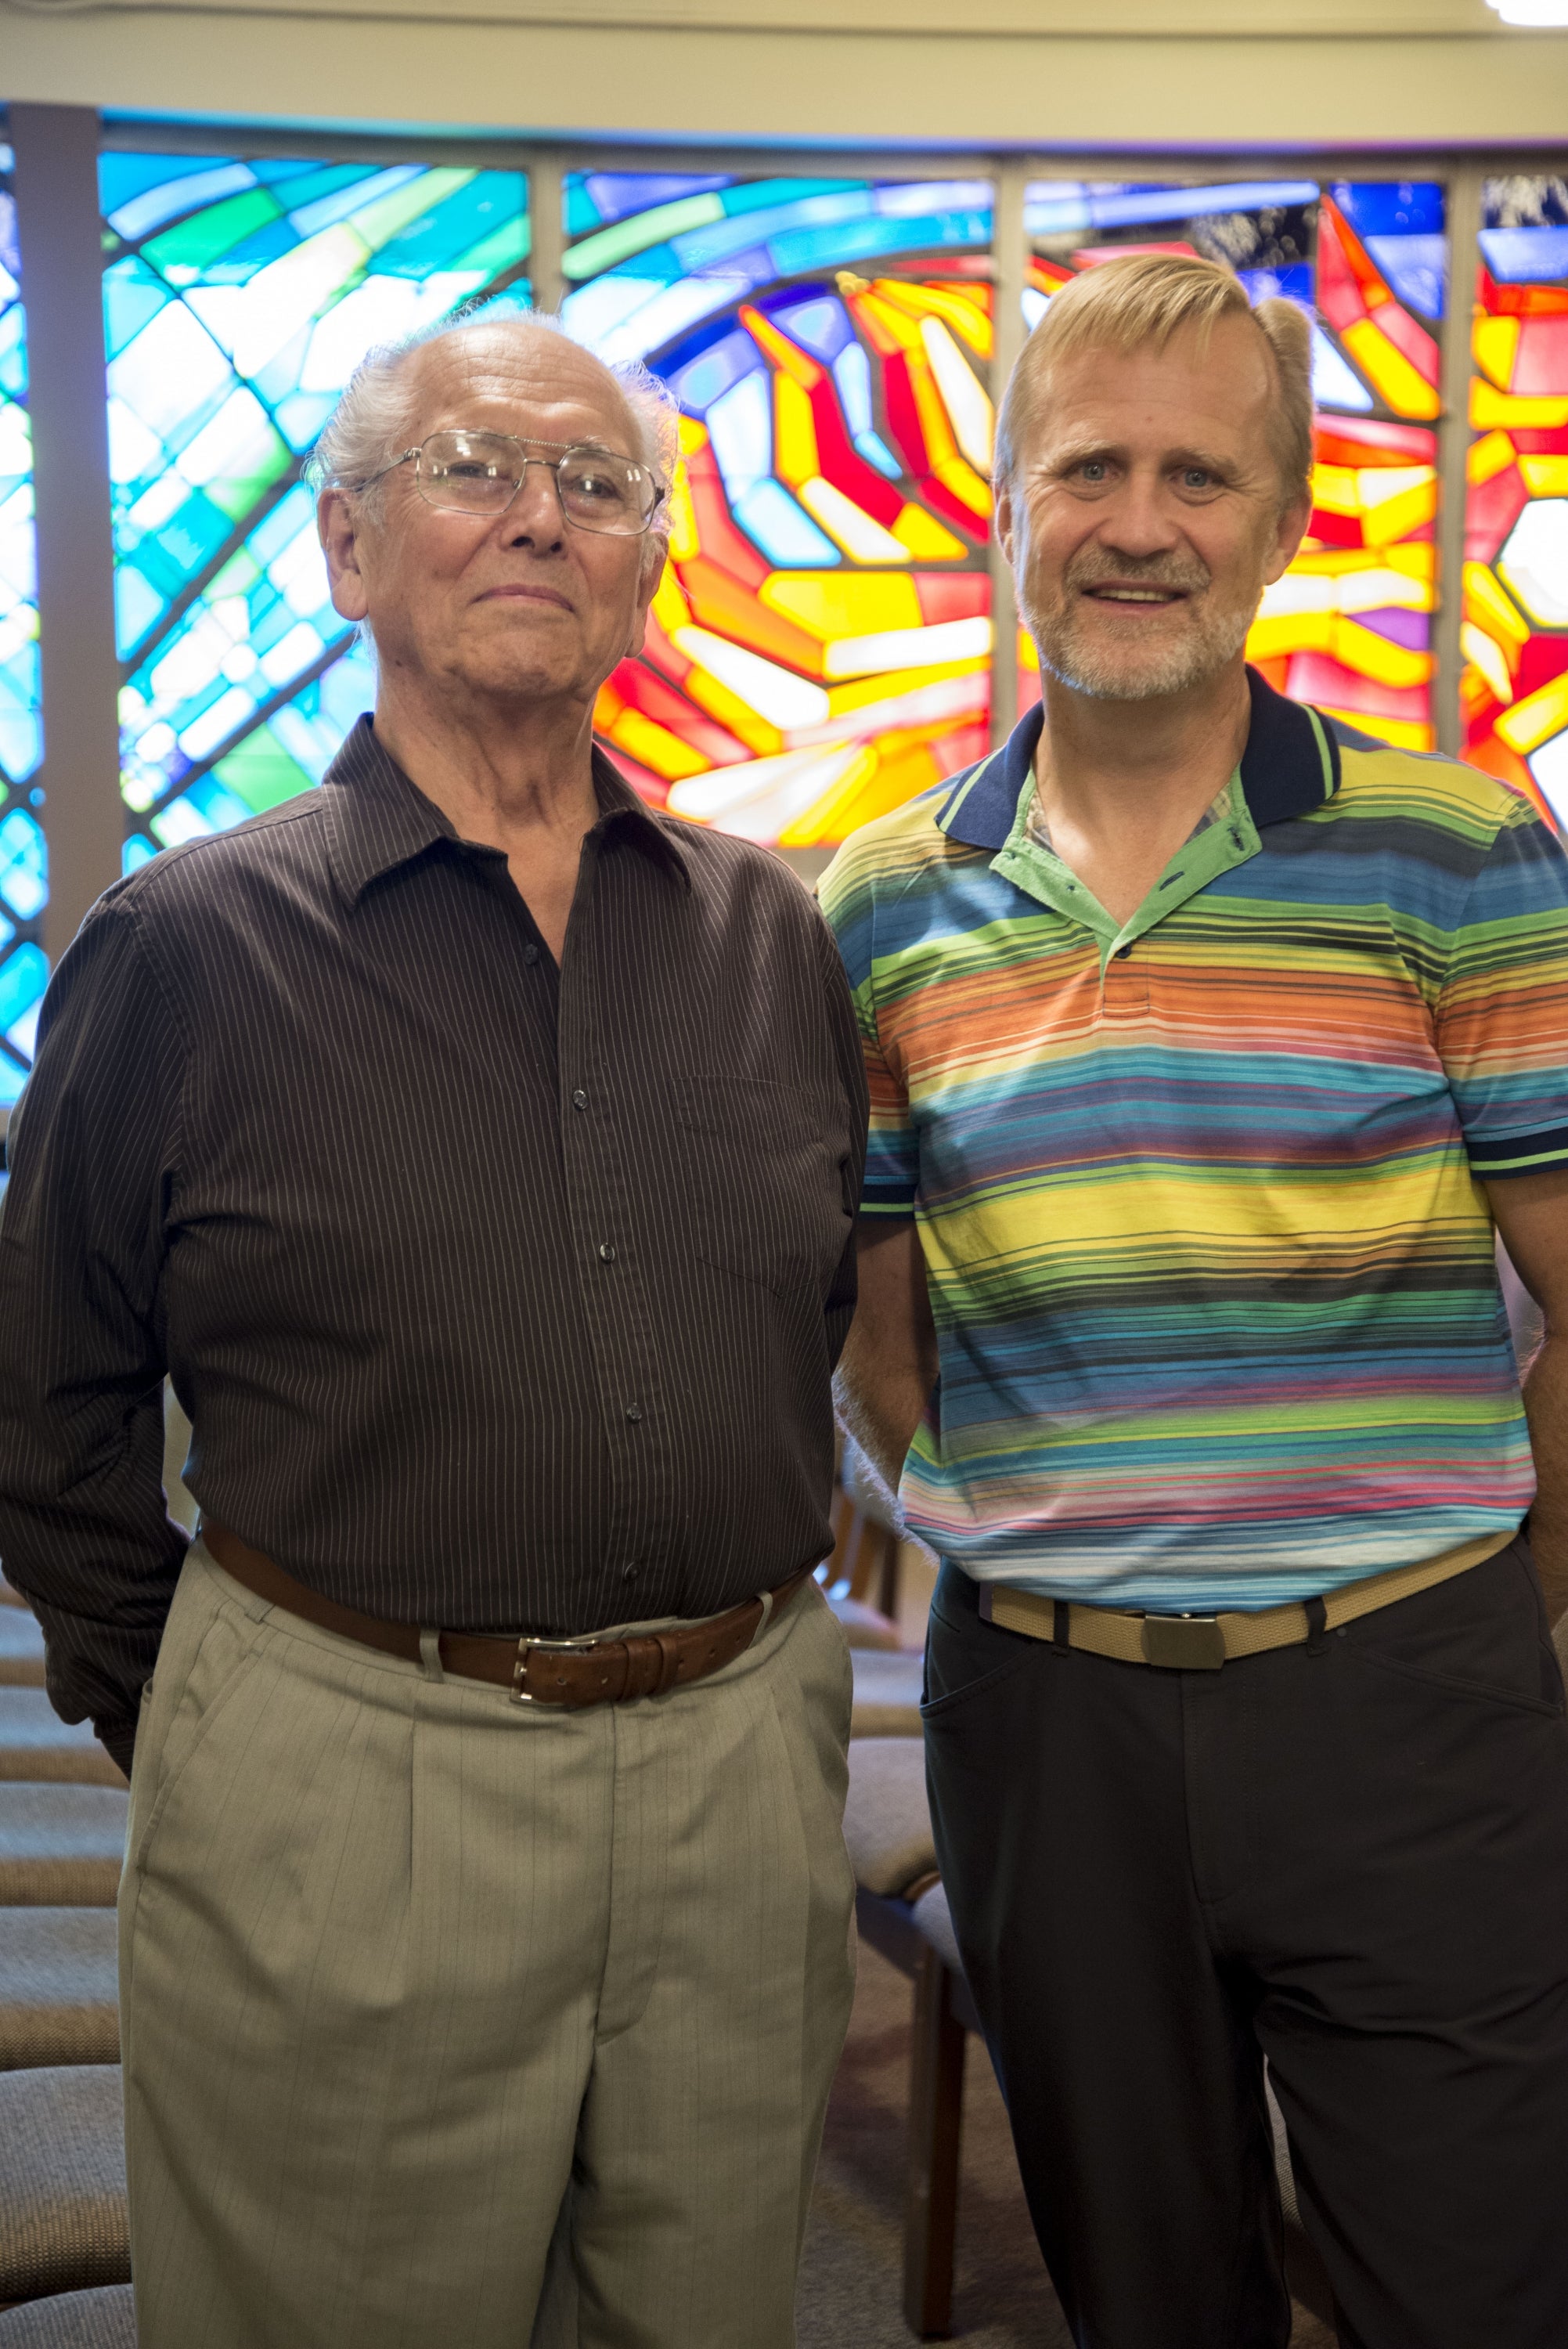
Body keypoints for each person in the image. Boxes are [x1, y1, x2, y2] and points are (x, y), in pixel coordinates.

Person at [0, 312, 867, 2349]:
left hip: (740, 1770)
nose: (538, 517)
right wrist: (218, 1719)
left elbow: (803, 1311)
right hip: (349, 1769)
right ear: (346, 546)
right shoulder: (187, 951)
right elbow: (48, 1397)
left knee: (712, 2310)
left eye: (595, 481)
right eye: (474, 467)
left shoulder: (768, 939)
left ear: (648, 554)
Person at [822, 252, 1568, 2349]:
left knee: (1473, 2291)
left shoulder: (1453, 851)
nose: (1137, 524)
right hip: (1041, 1723)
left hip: (1407, 1702)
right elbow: (880, 1345)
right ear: (1010, 505)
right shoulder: (881, 903)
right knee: (1146, 2301)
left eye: (1196, 475)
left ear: (1284, 512)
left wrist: (1478, 1623)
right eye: (1087, 469)